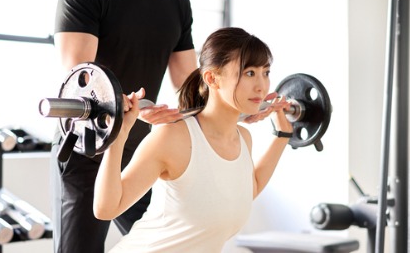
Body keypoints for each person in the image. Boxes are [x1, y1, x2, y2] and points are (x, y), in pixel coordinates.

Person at [93, 27, 293, 252]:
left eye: (265, 72)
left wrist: (282, 136)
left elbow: (245, 191)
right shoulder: (172, 137)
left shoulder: (242, 138)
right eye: (249, 73)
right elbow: (106, 209)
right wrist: (118, 135)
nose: (261, 86)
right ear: (212, 78)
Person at [51, 0, 198, 252]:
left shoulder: (177, 0)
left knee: (168, 244)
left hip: (141, 153)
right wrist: (135, 107)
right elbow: (82, 80)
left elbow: (190, 84)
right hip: (89, 149)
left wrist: (236, 102)